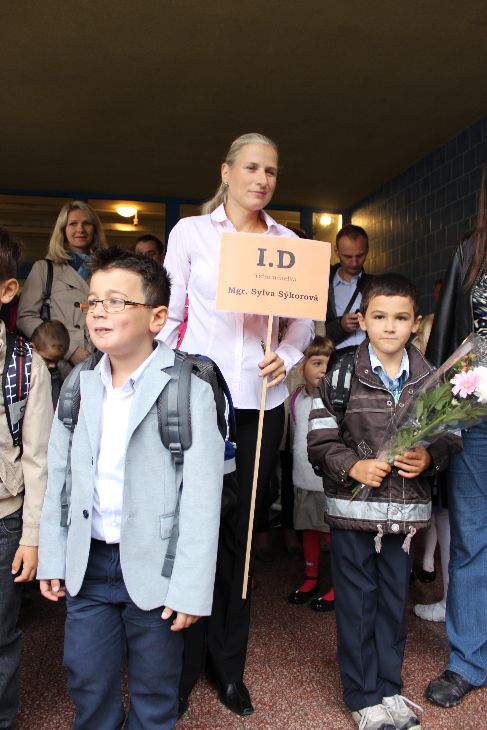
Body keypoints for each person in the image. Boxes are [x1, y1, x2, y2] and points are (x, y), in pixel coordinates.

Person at [158, 132, 314, 716]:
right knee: (190, 526)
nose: (262, 179)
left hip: (261, 402)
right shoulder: (191, 233)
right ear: (225, 171)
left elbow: (301, 324)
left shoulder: (290, 244)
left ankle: (228, 667)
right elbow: (170, 313)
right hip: (199, 400)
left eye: (271, 171)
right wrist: (163, 377)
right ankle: (180, 665)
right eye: (251, 167)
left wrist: (289, 356)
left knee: (241, 535)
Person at [37, 246, 224, 730]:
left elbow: (202, 499)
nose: (99, 311)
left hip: (157, 567)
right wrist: (53, 555)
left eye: (117, 301)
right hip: (89, 563)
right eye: (93, 301)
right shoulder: (78, 386)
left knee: (156, 688)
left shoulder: (188, 390)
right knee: (87, 678)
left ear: (157, 317)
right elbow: (60, 477)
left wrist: (190, 587)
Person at [308, 273, 461, 730]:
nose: (389, 326)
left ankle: (389, 688)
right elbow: (319, 440)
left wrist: (429, 457)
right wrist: (353, 466)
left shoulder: (432, 378)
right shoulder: (340, 375)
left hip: (405, 519)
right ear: (363, 321)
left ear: (416, 322)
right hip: (353, 517)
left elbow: (450, 435)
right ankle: (363, 697)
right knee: (357, 607)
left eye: (400, 318)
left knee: (394, 607)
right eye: (379, 317)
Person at [424, 163, 487, 708]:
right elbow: (447, 338)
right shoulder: (473, 251)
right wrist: (433, 419)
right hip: (477, 418)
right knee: (471, 540)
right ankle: (468, 660)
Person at [0, 227, 52, 728]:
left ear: (8, 290)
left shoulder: (25, 366)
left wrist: (32, 537)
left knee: (1, 633)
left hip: (4, 521)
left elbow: (38, 459)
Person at [17, 200, 107, 372]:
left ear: (95, 229)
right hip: (56, 366)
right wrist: (70, 350)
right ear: (63, 229)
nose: (80, 229)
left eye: (86, 223)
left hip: (100, 364)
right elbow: (26, 317)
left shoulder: (106, 271)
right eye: (73, 223)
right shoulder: (44, 269)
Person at [287, 335, 335, 612]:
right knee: (308, 529)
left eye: (328, 363)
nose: (323, 370)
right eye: (316, 363)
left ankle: (339, 584)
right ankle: (311, 577)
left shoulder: (336, 399)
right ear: (301, 367)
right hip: (304, 477)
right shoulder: (296, 398)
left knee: (331, 534)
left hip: (328, 481)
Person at [325, 224, 371, 350]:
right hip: (333, 357)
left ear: (367, 250)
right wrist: (340, 326)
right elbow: (312, 331)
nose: (354, 262)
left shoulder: (375, 286)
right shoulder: (322, 285)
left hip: (368, 356)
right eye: (348, 256)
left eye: (360, 255)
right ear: (336, 251)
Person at [31, 320, 70, 407]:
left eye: (57, 360)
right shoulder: (23, 375)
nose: (53, 365)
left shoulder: (56, 376)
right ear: (33, 348)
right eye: (48, 360)